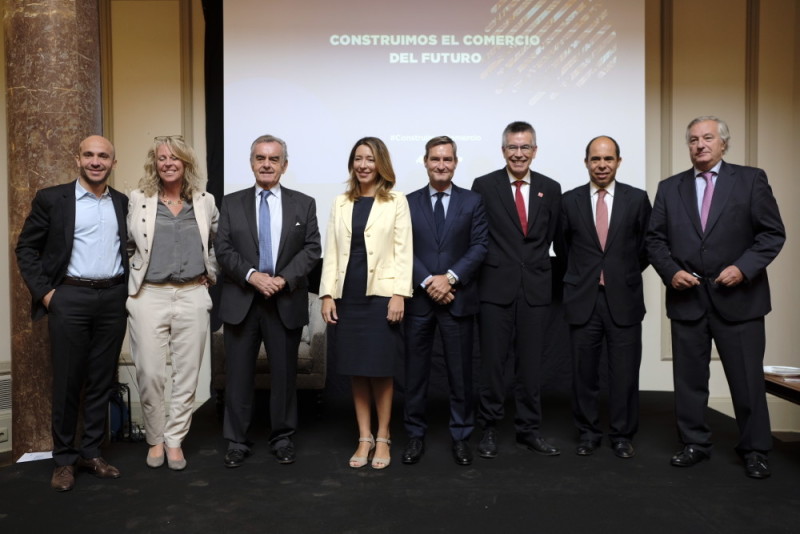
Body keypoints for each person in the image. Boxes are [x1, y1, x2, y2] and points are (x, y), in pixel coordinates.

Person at [646, 116, 785, 479]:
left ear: (724, 143)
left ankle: (755, 449)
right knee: (689, 380)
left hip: (740, 298)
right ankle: (694, 443)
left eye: (708, 138)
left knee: (747, 380)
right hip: (687, 299)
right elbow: (654, 240)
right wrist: (670, 271)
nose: (700, 145)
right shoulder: (669, 187)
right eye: (693, 140)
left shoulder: (751, 180)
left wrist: (743, 268)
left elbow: (772, 234)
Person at [16, 135, 129, 491]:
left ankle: (92, 452)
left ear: (113, 162)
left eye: (104, 156)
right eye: (89, 155)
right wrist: (48, 295)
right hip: (70, 298)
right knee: (67, 381)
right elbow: (27, 248)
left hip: (112, 299)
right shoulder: (53, 199)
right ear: (77, 159)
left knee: (101, 380)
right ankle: (64, 460)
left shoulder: (123, 203)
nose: (96, 161)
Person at [215, 135, 321, 468]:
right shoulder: (230, 203)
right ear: (251, 163)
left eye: (274, 159)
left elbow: (312, 249)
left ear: (284, 165)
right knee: (239, 377)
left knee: (284, 377)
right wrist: (252, 275)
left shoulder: (303, 203)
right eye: (260, 158)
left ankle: (283, 438)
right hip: (242, 300)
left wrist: (282, 278)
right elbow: (224, 249)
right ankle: (237, 441)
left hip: (284, 300)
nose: (266, 164)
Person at [126, 135, 219, 471]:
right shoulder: (139, 198)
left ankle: (175, 440)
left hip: (193, 294)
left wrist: (211, 274)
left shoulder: (204, 201)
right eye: (162, 158)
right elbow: (126, 244)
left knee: (187, 374)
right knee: (150, 372)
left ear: (186, 163)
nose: (168, 163)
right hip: (149, 294)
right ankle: (155, 439)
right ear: (155, 163)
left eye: (175, 158)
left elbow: (216, 244)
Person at [319, 137, 413, 469]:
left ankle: (384, 437)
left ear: (380, 164)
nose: (363, 165)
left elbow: (404, 251)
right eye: (358, 159)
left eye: (370, 159)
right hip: (349, 296)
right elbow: (331, 251)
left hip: (383, 295)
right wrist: (327, 293)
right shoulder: (341, 202)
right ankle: (364, 437)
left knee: (381, 369)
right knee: (357, 369)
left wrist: (399, 293)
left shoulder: (396, 201)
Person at [470, 121, 562, 459]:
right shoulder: (484, 185)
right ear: (503, 150)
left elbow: (552, 237)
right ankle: (490, 430)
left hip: (536, 289)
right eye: (513, 147)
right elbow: (477, 235)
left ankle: (529, 430)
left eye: (525, 147)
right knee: (493, 365)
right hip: (495, 289)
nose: (519, 153)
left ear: (534, 151)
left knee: (531, 367)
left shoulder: (551, 189)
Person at [559, 136, 651, 458]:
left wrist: (619, 274)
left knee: (624, 373)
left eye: (608, 159)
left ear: (618, 162)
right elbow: (563, 247)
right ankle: (587, 433)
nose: (602, 165)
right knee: (584, 373)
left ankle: (623, 436)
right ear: (586, 162)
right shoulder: (569, 201)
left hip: (623, 298)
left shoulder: (637, 199)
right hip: (583, 298)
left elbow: (645, 248)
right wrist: (587, 275)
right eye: (595, 159)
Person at [401, 136, 487, 466]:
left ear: (455, 163)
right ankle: (414, 435)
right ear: (425, 161)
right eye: (435, 159)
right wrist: (427, 281)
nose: (441, 165)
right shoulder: (406, 202)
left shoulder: (473, 201)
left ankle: (461, 436)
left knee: (461, 374)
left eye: (447, 159)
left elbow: (479, 246)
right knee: (415, 373)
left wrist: (448, 278)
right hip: (419, 301)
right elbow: (402, 247)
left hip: (457, 299)